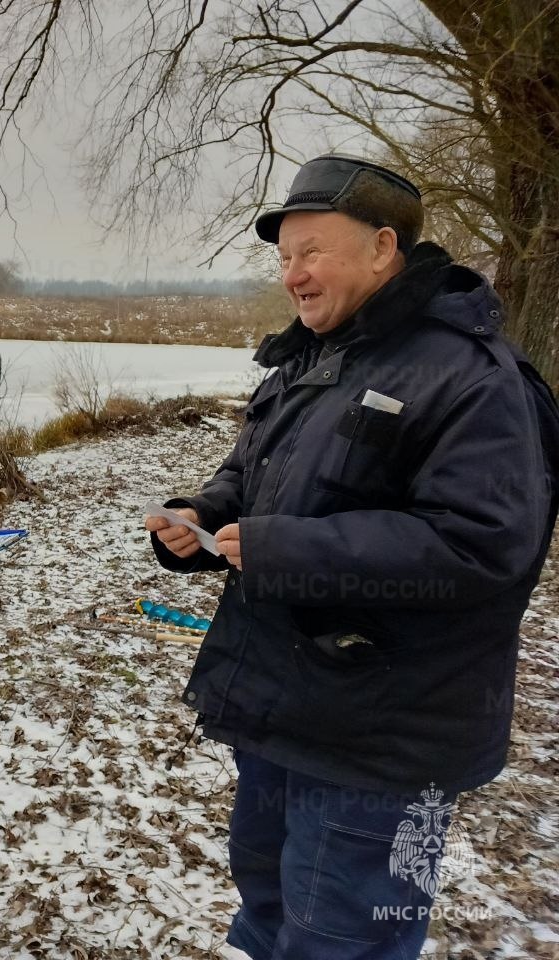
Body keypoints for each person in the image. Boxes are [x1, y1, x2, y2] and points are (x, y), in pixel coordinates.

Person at [145, 154, 559, 960]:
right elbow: (255, 474)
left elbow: (478, 545)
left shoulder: (473, 378)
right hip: (286, 709)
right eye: (284, 257)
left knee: (346, 942)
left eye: (311, 251)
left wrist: (279, 549)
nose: (293, 275)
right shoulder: (313, 359)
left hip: (385, 743)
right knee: (266, 911)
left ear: (382, 248)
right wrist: (204, 518)